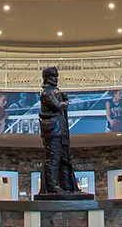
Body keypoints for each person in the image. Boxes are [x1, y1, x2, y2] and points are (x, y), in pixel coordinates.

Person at [38, 66, 81, 196]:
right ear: (46, 78)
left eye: (56, 76)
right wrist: (65, 102)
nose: (56, 79)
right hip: (52, 130)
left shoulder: (55, 92)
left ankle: (67, 186)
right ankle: (52, 187)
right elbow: (56, 106)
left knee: (65, 159)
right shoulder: (46, 93)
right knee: (53, 159)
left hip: (61, 129)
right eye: (53, 77)